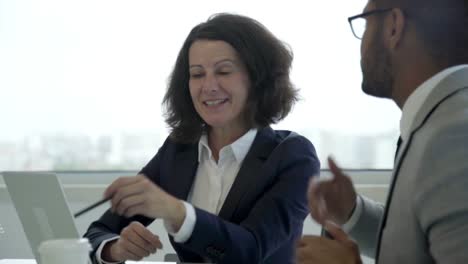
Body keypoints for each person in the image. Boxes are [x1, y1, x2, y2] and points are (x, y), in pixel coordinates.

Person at [84, 13, 320, 264]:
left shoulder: (293, 157)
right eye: (197, 74)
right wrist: (115, 249)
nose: (208, 86)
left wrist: (177, 212)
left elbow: (251, 251)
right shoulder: (179, 150)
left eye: (224, 71)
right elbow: (96, 234)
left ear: (258, 78)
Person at [297, 0, 468, 263]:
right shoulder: (438, 121)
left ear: (393, 26)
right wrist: (354, 212)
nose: (362, 43)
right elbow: (422, 246)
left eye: (365, 24)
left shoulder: (453, 136)